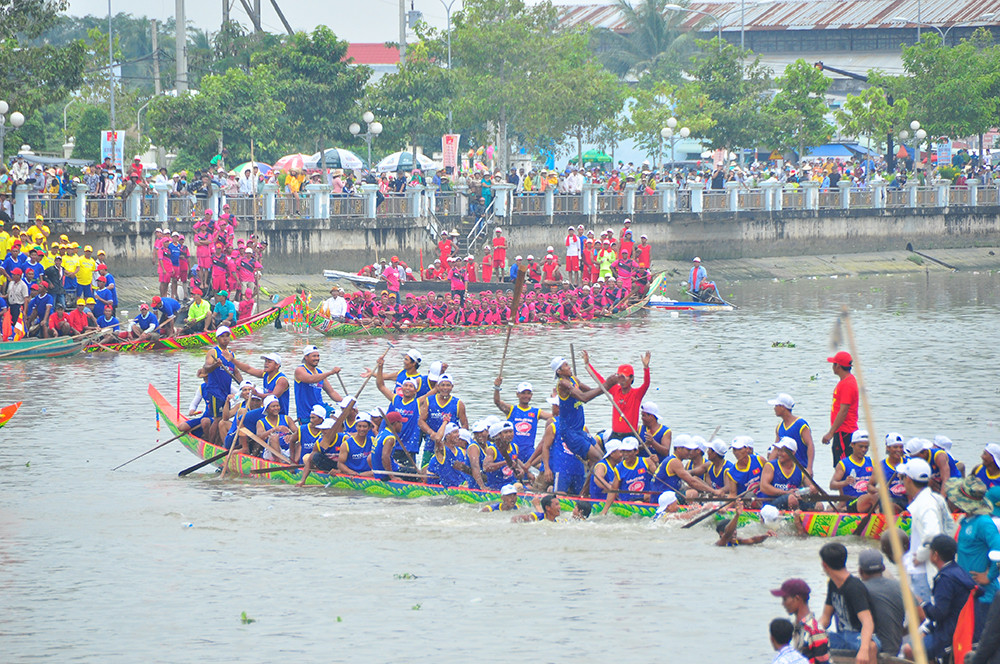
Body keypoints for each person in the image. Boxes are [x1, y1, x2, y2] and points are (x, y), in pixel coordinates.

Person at [902, 535, 976, 660]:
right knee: (919, 638)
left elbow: (939, 614)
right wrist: (925, 630)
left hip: (949, 633)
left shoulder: (945, 579)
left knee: (908, 649)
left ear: (935, 555)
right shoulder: (959, 571)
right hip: (961, 627)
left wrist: (923, 603)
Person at [946, 475, 1000, 639]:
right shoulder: (966, 520)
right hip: (967, 591)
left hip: (984, 594)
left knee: (979, 638)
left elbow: (998, 550)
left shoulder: (984, 523)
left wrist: (989, 577)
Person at [899, 457, 955, 602]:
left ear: (909, 479)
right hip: (935, 566)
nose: (902, 481)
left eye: (902, 477)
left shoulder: (925, 504)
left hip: (922, 570)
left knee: (923, 617)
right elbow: (950, 527)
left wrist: (921, 555)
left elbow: (932, 534)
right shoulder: (936, 498)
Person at [818, 542, 879, 664]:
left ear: (825, 565)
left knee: (871, 647)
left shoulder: (854, 587)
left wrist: (863, 649)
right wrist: (814, 633)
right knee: (810, 640)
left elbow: (867, 622)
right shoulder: (832, 584)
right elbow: (825, 618)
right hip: (841, 637)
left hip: (858, 636)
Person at [582, 350, 651, 440]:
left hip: (630, 435)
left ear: (631, 378)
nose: (622, 381)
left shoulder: (636, 394)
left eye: (624, 377)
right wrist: (587, 364)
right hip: (615, 435)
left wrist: (646, 368)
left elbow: (646, 384)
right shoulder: (615, 390)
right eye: (620, 377)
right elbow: (600, 381)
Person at [552, 356, 608, 467]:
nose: (569, 367)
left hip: (579, 430)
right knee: (599, 459)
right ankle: (598, 483)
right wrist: (607, 384)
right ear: (559, 371)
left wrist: (607, 388)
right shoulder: (563, 384)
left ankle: (588, 485)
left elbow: (591, 391)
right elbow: (584, 397)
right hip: (569, 432)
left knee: (601, 456)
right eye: (566, 365)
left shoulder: (574, 379)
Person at [771, 578, 831, 664]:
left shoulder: (815, 631)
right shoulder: (795, 627)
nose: (783, 604)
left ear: (797, 599)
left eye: (785, 599)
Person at [857, 549, 905, 657]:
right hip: (894, 650)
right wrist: (902, 632)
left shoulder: (858, 589)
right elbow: (921, 616)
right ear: (883, 568)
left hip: (868, 652)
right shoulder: (900, 586)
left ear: (860, 571)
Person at [201, 326, 243, 445]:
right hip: (215, 391)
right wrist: (215, 365)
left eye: (227, 336)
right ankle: (211, 443)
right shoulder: (213, 352)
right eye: (222, 336)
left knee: (224, 419)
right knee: (217, 419)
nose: (225, 339)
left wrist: (244, 386)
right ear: (217, 338)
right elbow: (206, 368)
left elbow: (236, 372)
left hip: (225, 392)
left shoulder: (231, 355)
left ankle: (220, 442)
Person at [492, 379, 551, 463]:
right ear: (517, 394)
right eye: (523, 393)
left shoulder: (537, 412)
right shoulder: (511, 409)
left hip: (529, 452)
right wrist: (497, 388)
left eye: (528, 393)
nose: (526, 396)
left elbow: (554, 417)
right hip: (513, 450)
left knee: (543, 469)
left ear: (531, 395)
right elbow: (497, 402)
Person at [821, 351, 859, 467]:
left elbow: (843, 411)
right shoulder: (846, 382)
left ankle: (844, 485)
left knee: (842, 466)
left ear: (838, 366)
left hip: (844, 431)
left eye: (833, 364)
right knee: (840, 464)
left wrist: (831, 433)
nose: (832, 367)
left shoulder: (847, 384)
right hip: (842, 431)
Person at [761, 437, 820, 510]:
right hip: (771, 504)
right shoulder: (770, 466)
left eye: (783, 451)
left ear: (793, 453)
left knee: (819, 505)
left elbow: (812, 487)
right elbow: (764, 487)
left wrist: (813, 490)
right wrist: (785, 492)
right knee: (791, 498)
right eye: (778, 451)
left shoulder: (801, 470)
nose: (779, 454)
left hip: (793, 500)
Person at [829, 430, 877, 513]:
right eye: (860, 446)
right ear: (852, 445)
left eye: (866, 447)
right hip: (852, 503)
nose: (863, 450)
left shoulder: (871, 462)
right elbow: (832, 485)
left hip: (868, 501)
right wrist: (845, 482)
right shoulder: (843, 464)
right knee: (873, 497)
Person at [293, 345, 343, 424]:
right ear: (306, 357)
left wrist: (345, 403)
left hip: (321, 409)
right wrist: (331, 372)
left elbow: (331, 392)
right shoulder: (300, 370)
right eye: (314, 356)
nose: (317, 358)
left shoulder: (320, 373)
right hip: (307, 413)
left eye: (318, 356)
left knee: (339, 417)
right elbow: (311, 379)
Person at [770, 393, 815, 475]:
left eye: (776, 406)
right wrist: (768, 467)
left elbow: (810, 445)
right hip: (785, 470)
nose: (774, 408)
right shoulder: (779, 427)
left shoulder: (800, 424)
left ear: (783, 407)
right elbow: (776, 449)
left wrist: (809, 468)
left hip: (801, 468)